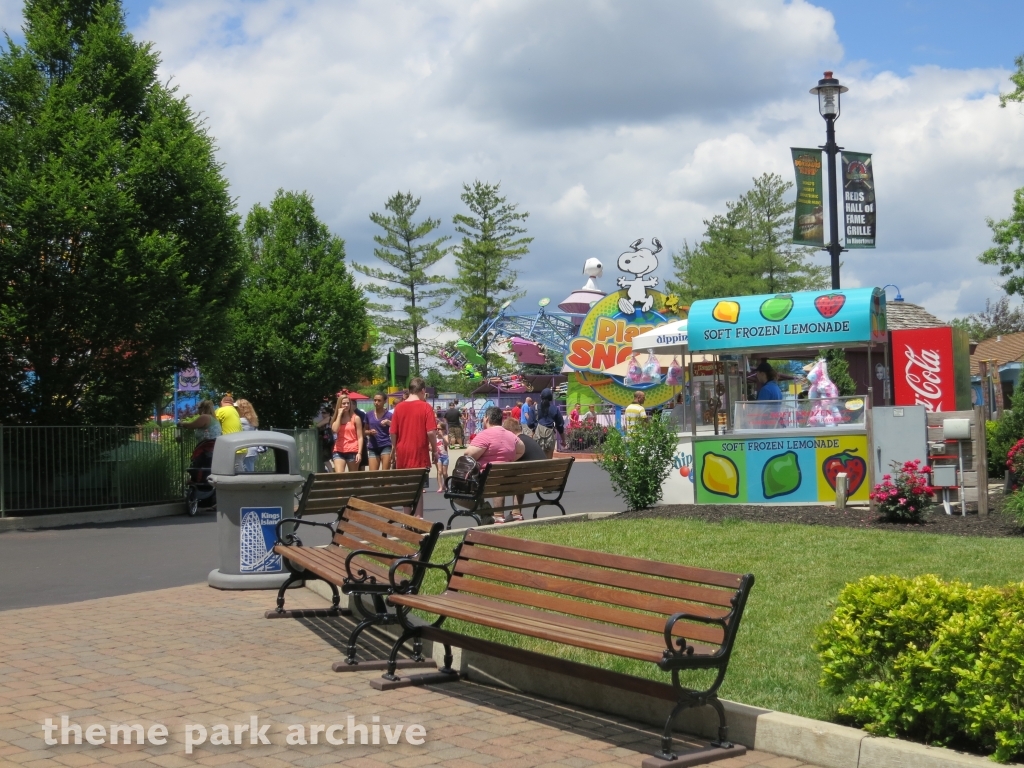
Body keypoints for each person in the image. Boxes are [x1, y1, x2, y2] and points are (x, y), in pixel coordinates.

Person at [466, 407, 525, 522]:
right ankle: (512, 514)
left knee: (464, 486)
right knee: (498, 477)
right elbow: (521, 449)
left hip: (487, 480)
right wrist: (509, 459)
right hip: (509, 478)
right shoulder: (510, 435)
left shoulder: (484, 435)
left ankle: (494, 515)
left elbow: (468, 454)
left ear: (487, 418)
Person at [390, 377, 438, 518]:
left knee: (407, 487)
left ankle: (407, 518)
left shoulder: (399, 407)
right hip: (419, 452)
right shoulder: (425, 407)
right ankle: (418, 518)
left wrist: (394, 448)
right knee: (418, 487)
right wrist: (435, 450)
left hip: (402, 452)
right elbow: (430, 431)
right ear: (423, 390)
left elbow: (393, 432)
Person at [331, 394, 364, 473]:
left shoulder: (356, 418)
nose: (346, 405)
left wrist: (359, 453)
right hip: (338, 450)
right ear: (339, 405)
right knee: (339, 476)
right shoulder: (336, 418)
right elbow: (335, 430)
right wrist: (339, 415)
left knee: (353, 478)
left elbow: (360, 437)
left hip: (352, 450)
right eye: (344, 403)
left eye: (348, 403)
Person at [529, 388, 564, 459]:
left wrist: (535, 427)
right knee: (548, 460)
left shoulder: (534, 408)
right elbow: (560, 426)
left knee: (538, 460)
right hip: (550, 437)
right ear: (551, 397)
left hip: (537, 437)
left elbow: (530, 423)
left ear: (541, 396)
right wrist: (563, 440)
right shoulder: (555, 409)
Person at [365, 394, 393, 470]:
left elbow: (396, 429)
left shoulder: (389, 415)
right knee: (373, 475)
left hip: (386, 445)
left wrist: (389, 423)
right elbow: (364, 431)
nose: (376, 402)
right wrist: (369, 432)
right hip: (373, 446)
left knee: (385, 474)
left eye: (379, 400)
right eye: (375, 400)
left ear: (385, 401)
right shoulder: (368, 414)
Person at [235, 398, 260, 472]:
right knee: (249, 472)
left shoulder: (241, 421)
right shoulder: (251, 421)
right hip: (252, 450)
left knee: (246, 475)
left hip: (246, 452)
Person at [435, 419, 450, 493]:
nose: (438, 430)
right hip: (438, 457)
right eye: (436, 429)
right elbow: (431, 446)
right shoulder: (435, 437)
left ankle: (446, 485)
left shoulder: (446, 436)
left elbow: (447, 444)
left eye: (439, 429)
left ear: (443, 430)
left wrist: (442, 437)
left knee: (444, 473)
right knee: (439, 471)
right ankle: (440, 486)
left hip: (445, 457)